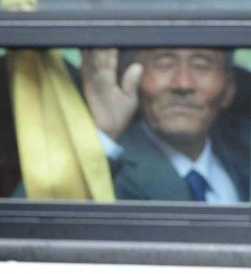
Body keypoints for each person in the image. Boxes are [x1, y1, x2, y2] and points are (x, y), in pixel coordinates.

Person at [81, 47, 248, 202]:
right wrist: (106, 135)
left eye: (201, 66)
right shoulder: (113, 165)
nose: (183, 84)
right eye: (164, 64)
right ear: (131, 77)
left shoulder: (242, 153)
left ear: (229, 89)